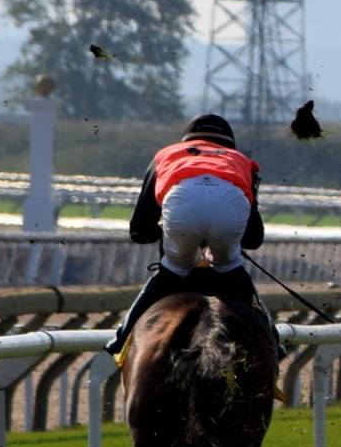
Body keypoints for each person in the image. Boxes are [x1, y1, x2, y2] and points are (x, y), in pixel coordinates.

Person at [107, 114, 272, 356]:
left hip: (182, 203)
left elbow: (139, 230)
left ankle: (121, 338)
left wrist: (163, 233)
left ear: (187, 140)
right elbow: (253, 239)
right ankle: (272, 339)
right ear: (229, 145)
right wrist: (224, 241)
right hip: (229, 204)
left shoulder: (167, 155)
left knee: (171, 270)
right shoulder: (241, 161)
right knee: (232, 270)